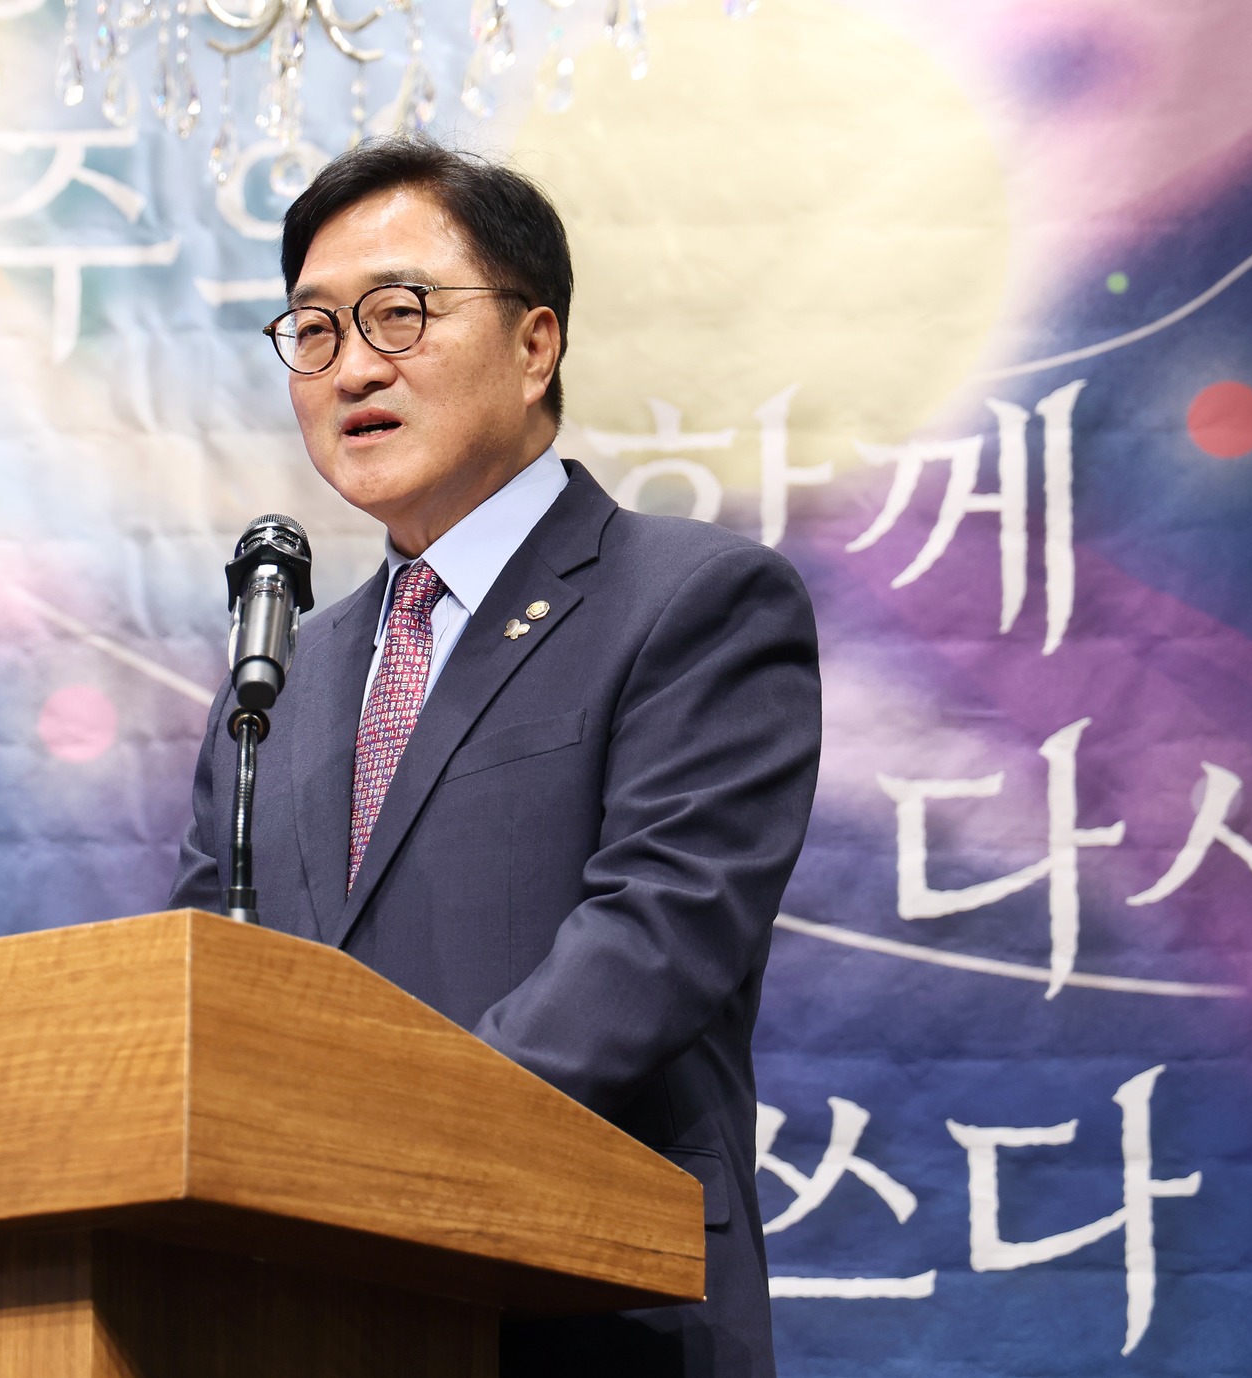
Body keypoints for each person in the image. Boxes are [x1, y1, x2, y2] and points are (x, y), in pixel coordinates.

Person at [168, 136, 821, 1378]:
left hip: (594, 1310)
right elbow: (205, 984)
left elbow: (658, 933)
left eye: (399, 314)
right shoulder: (279, 676)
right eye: (315, 330)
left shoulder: (692, 601)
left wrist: (375, 1164)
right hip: (295, 1318)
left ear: (535, 345)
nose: (354, 365)